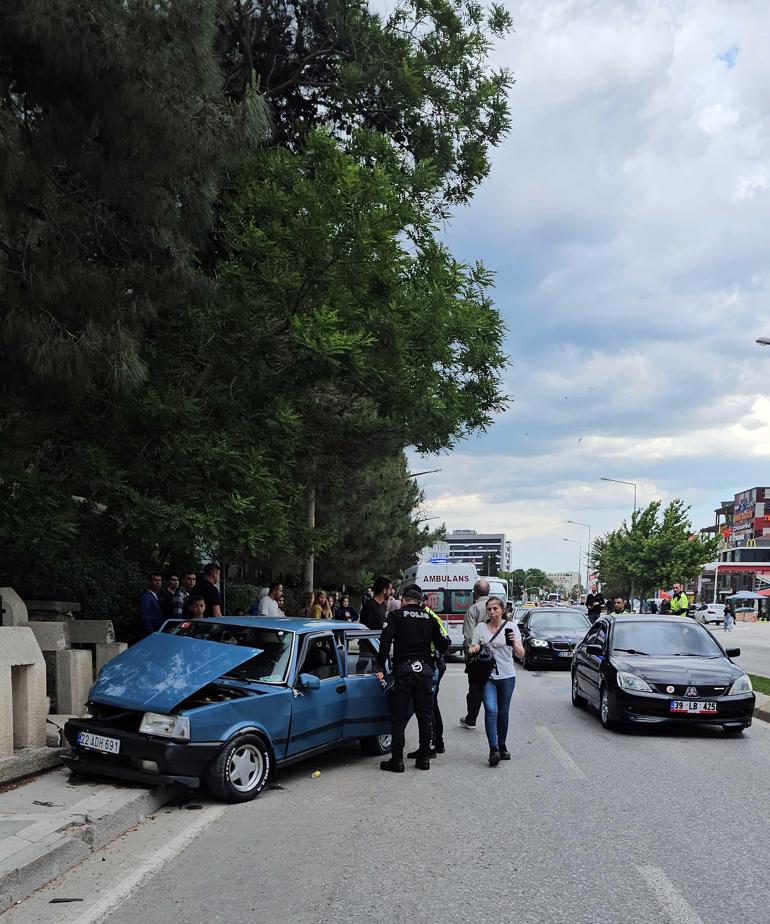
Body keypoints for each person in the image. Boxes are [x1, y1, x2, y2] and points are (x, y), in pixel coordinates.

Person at [376, 583, 449, 772]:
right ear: (420, 602)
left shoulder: (395, 615)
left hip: (404, 670)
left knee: (398, 716)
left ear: (403, 601)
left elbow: (385, 641)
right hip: (424, 670)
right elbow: (444, 643)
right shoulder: (429, 617)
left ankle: (397, 760)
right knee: (424, 716)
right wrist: (434, 657)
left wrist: (380, 665)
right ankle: (424, 759)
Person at [467, 596, 524, 766]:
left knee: (503, 712)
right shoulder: (480, 628)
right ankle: (493, 749)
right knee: (491, 710)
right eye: (489, 609)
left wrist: (514, 643)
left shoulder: (511, 627)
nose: (492, 612)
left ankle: (502, 744)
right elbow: (470, 649)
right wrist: (473, 648)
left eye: (495, 608)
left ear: (502, 610)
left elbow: (521, 654)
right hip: (488, 676)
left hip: (507, 675)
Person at [460, 579, 490, 729]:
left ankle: (471, 718)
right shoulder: (498, 607)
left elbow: (469, 636)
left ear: (476, 593)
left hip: (478, 656)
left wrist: (470, 653)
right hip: (496, 657)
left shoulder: (474, 609)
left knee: (475, 688)